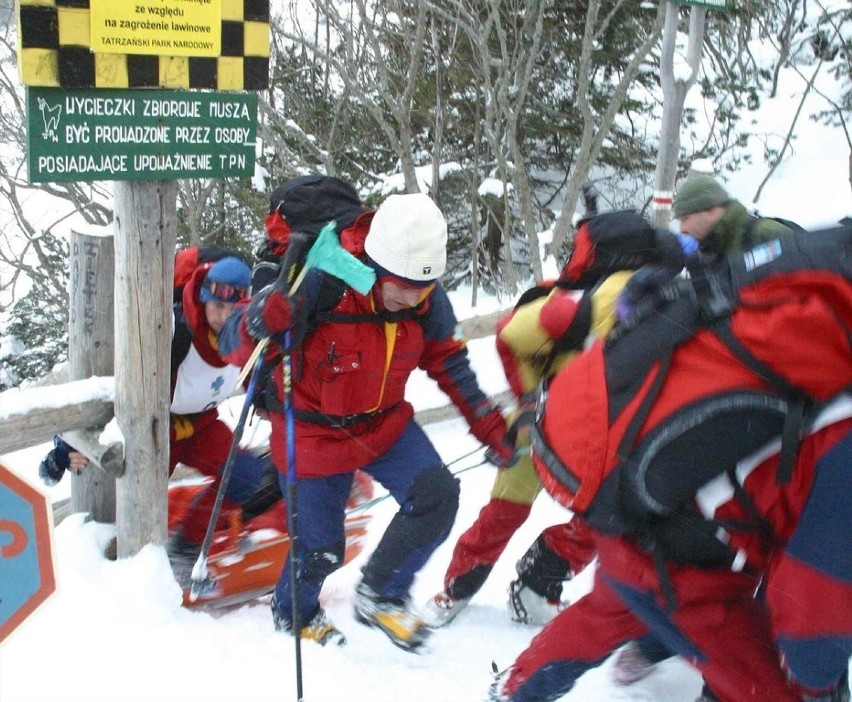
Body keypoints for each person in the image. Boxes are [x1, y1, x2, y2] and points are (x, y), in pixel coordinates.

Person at [488, 224, 852, 702]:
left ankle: (514, 689)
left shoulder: (794, 306)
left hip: (643, 502)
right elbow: (811, 627)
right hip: (679, 549)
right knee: (766, 685)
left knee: (615, 607)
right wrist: (819, 687)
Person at [218, 190, 517, 651]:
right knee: (320, 549)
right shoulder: (322, 280)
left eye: (424, 287)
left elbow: (450, 363)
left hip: (382, 426)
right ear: (374, 266)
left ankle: (381, 593)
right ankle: (294, 612)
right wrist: (259, 318)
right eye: (403, 285)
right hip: (312, 430)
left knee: (436, 497)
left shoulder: (423, 299)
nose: (414, 297)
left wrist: (491, 428)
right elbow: (233, 348)